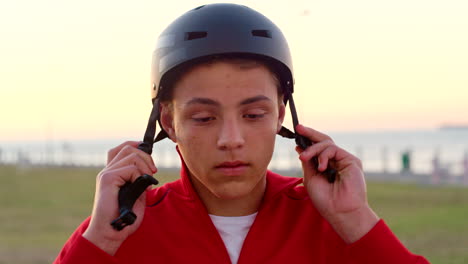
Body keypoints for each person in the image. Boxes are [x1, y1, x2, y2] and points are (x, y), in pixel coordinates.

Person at [54, 4, 429, 264]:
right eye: (203, 117)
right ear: (168, 124)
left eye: (253, 114)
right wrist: (100, 241)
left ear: (280, 116)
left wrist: (356, 219)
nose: (230, 139)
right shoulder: (122, 228)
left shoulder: (334, 222)